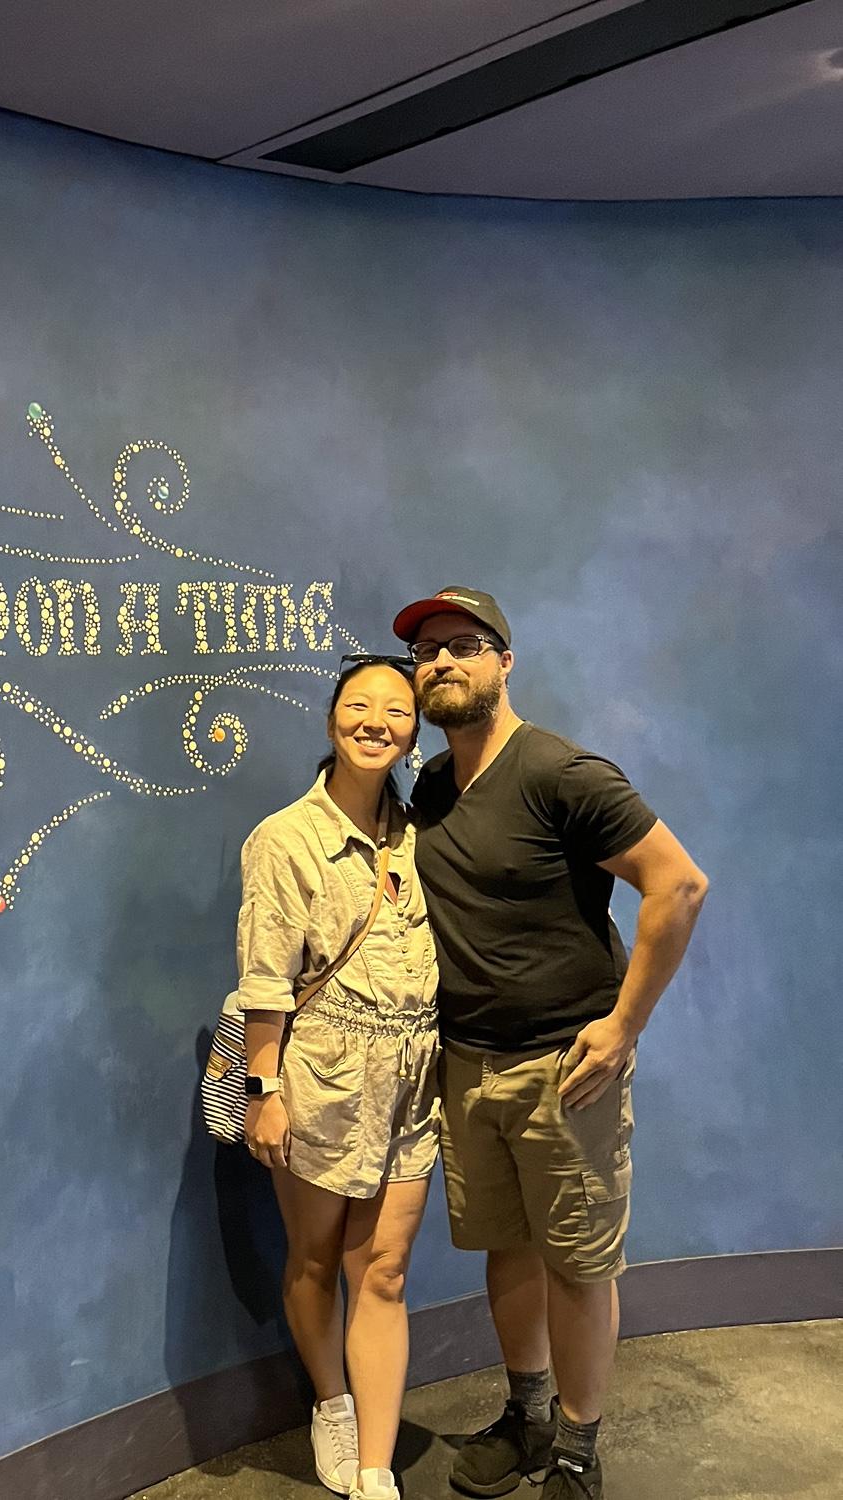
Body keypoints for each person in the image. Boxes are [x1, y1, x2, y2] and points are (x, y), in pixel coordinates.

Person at [392, 588, 709, 1500]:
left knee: (576, 1263)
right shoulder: (432, 787)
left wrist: (623, 1025)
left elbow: (678, 885)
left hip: (564, 1072)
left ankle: (576, 1450)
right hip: (468, 1065)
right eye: (427, 651)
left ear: (505, 660)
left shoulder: (562, 773)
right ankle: (528, 1417)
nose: (442, 663)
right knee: (509, 1248)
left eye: (464, 645)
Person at [234, 655, 441, 1500]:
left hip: (414, 1081)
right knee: (316, 1259)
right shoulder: (286, 838)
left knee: (383, 1270)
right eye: (359, 705)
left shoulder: (425, 834)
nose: (375, 722)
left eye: (396, 710)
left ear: (413, 734)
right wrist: (264, 1090)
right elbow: (265, 978)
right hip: (321, 1076)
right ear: (331, 722)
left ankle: (376, 1469)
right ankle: (332, 1402)